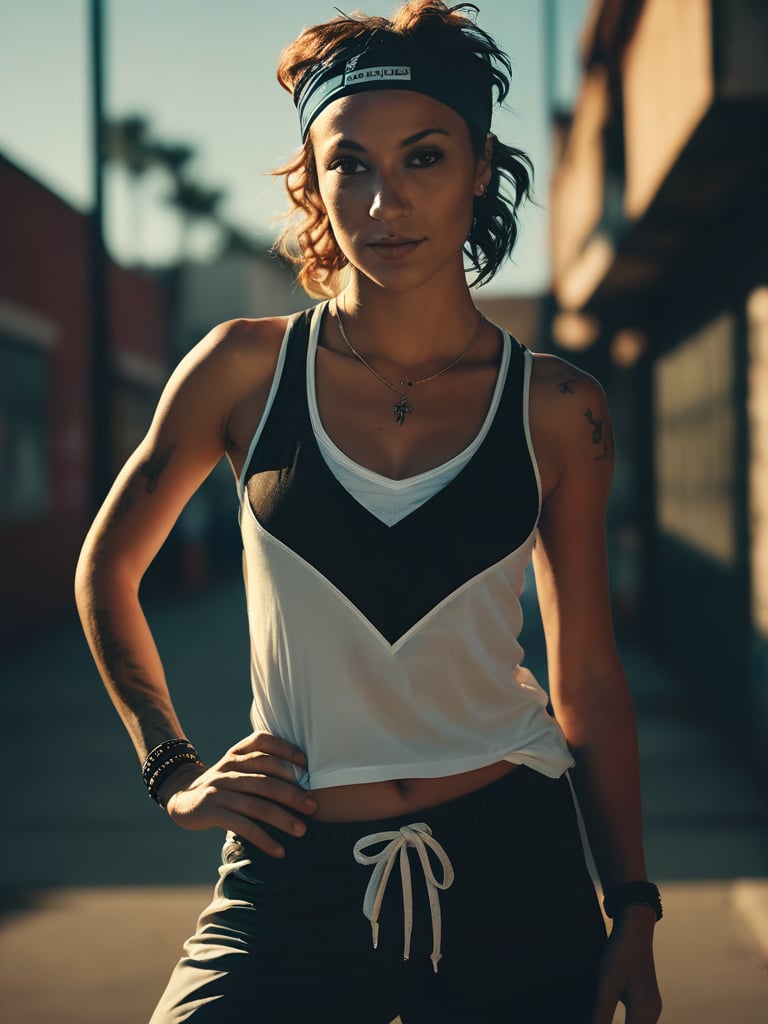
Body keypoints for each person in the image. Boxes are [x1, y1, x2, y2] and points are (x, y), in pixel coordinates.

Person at [75, 3, 662, 1021]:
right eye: (352, 164)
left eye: (425, 157)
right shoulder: (241, 370)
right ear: (314, 178)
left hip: (515, 864)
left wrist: (634, 905)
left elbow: (588, 675)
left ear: (481, 167)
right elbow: (107, 572)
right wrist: (171, 768)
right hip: (287, 866)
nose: (387, 200)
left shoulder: (558, 407)